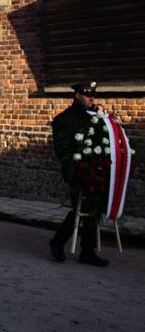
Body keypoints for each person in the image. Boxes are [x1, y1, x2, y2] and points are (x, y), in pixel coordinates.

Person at [49, 82, 109, 267]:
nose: (91, 98)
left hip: (97, 170)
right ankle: (58, 242)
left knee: (94, 207)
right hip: (78, 170)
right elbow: (63, 149)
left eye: (93, 95)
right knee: (79, 209)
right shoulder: (65, 119)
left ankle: (87, 251)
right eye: (86, 95)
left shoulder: (97, 118)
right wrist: (73, 171)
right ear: (77, 96)